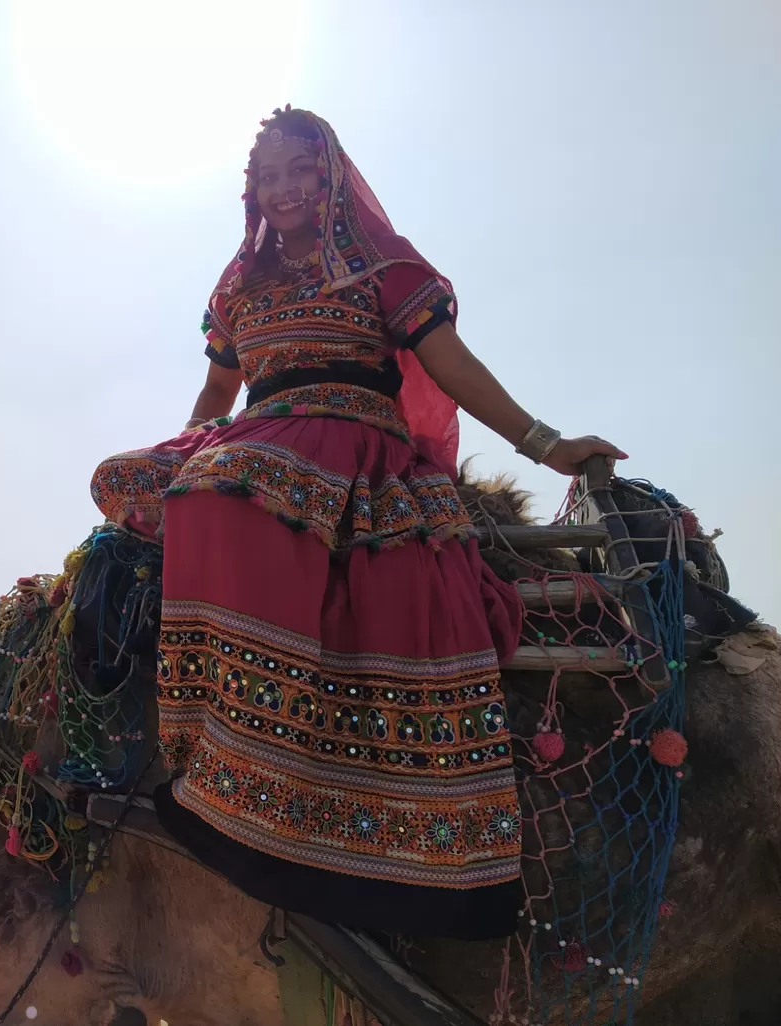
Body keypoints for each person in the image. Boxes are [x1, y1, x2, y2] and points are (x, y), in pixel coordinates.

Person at [89, 107, 625, 941]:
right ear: (252, 192)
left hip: (351, 443)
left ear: (332, 175)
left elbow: (453, 367)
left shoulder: (383, 271)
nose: (285, 187)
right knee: (146, 480)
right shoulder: (240, 289)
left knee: (227, 488)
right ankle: (222, 752)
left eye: (300, 169)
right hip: (250, 439)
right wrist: (185, 452)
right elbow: (214, 400)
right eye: (268, 175)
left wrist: (547, 445)